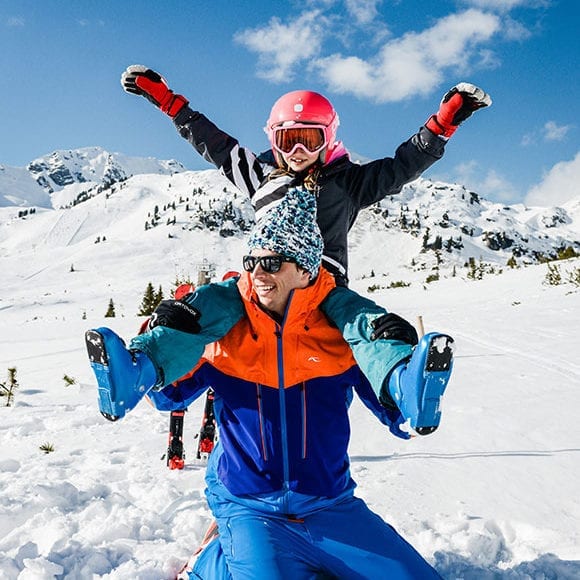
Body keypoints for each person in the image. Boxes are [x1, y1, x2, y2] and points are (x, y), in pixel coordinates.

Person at [86, 187, 453, 578]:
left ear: (306, 268)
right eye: (252, 262)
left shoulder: (340, 333)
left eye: (273, 262)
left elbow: (392, 413)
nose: (259, 274)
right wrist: (157, 336)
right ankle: (211, 560)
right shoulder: (222, 331)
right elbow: (167, 398)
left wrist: (403, 384)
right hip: (251, 508)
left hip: (330, 506)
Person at [114, 66, 488, 428]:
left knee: (367, 325)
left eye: (308, 139)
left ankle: (405, 385)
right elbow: (212, 142)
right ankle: (141, 368)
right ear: (272, 139)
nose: (296, 150)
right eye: (285, 139)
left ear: (329, 138)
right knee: (201, 308)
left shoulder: (349, 183)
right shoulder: (259, 176)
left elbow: (402, 166)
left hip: (324, 288)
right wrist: (169, 102)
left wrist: (441, 126)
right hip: (259, 285)